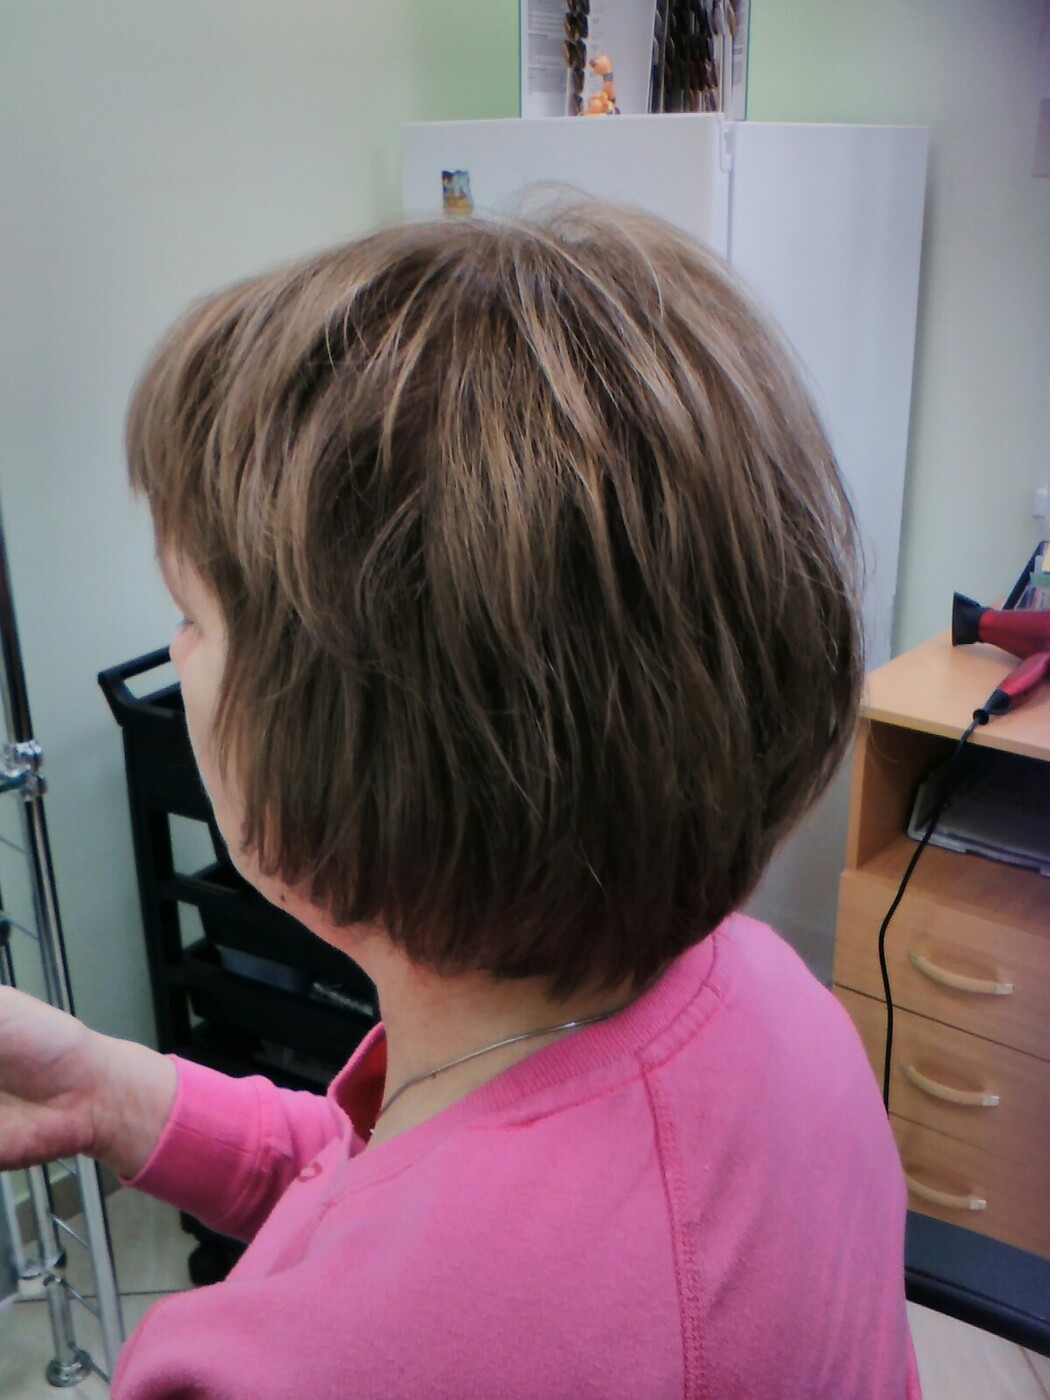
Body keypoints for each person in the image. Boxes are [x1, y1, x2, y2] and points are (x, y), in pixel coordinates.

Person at [0, 202, 920, 1398]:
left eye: (192, 614)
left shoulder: (269, 1373)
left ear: (351, 735)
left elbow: (427, 1290)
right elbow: (414, 1198)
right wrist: (110, 1091)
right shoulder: (765, 992)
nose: (176, 657)